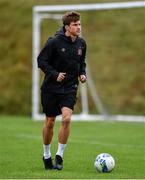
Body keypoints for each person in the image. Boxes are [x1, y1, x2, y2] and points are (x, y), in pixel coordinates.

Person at [37, 11, 87, 170]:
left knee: (66, 119)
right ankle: (46, 155)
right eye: (75, 25)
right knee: (50, 122)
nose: (78, 27)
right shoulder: (54, 42)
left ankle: (59, 156)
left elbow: (82, 62)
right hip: (51, 88)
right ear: (67, 26)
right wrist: (55, 74)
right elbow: (41, 61)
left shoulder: (81, 44)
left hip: (70, 88)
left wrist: (82, 73)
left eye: (79, 24)